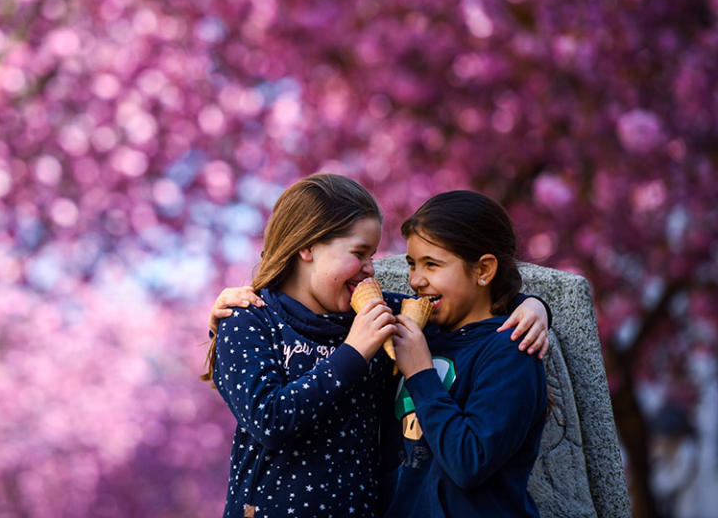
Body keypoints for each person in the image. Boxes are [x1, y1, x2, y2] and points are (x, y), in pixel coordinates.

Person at [204, 175, 550, 517]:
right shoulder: (251, 319)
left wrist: (531, 306)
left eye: (373, 255)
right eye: (359, 253)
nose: (371, 270)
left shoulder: (377, 316)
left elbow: (464, 300)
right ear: (307, 247)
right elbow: (270, 420)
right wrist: (354, 351)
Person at [380, 190, 548, 517]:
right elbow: (337, 299)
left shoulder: (510, 349)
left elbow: (469, 462)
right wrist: (255, 299)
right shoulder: (419, 329)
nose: (416, 280)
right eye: (412, 264)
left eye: (432, 264)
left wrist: (420, 374)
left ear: (483, 270)